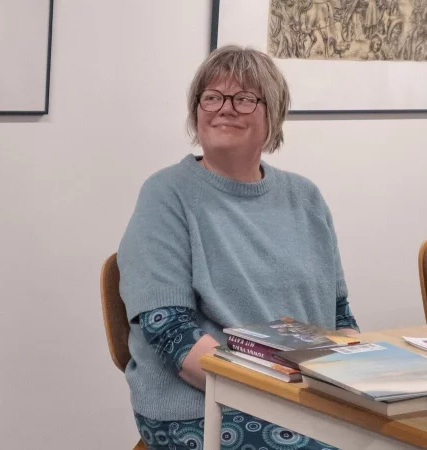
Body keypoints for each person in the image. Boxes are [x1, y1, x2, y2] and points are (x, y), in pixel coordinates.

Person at [118, 45, 359, 450]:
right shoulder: (166, 194)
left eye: (245, 99)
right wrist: (276, 391)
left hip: (305, 396)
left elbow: (338, 314)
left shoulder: (305, 196)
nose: (224, 109)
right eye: (211, 97)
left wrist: (360, 377)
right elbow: (168, 331)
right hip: (205, 404)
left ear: (274, 114)